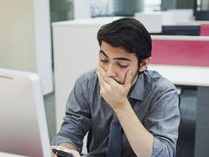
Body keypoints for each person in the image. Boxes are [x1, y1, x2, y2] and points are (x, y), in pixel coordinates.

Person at [51, 17, 180, 157]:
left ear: (143, 64)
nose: (109, 72)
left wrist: (120, 104)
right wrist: (66, 150)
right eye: (103, 60)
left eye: (122, 64)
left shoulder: (162, 93)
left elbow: (163, 154)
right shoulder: (87, 82)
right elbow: (71, 131)